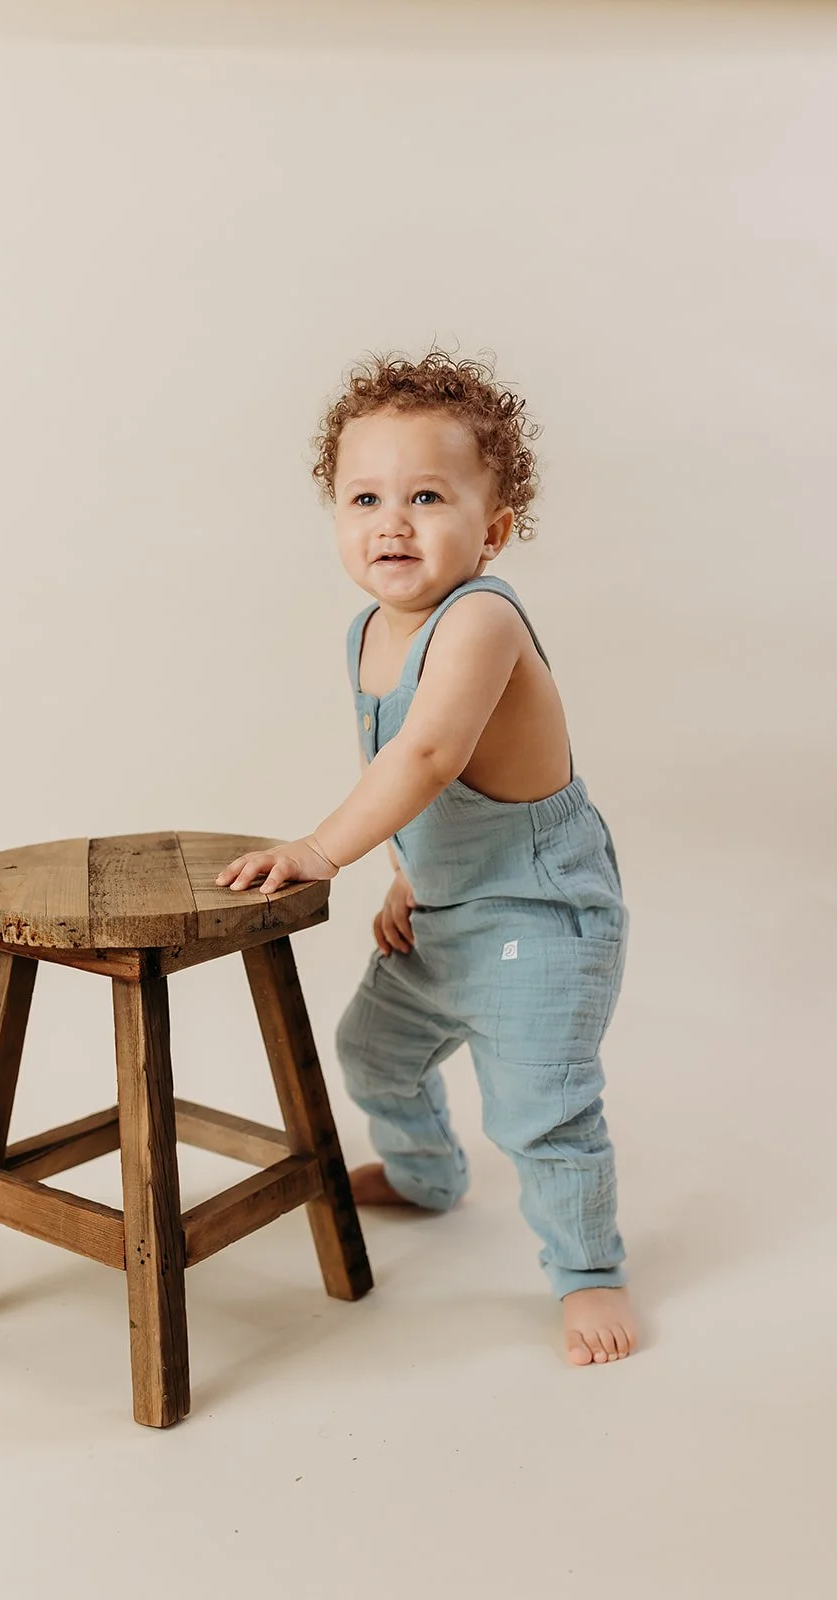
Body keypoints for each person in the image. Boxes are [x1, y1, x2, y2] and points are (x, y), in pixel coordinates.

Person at [216, 349, 636, 1366]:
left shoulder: (481, 619)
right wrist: (411, 871)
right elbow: (436, 791)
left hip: (538, 918)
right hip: (447, 909)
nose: (390, 521)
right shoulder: (368, 628)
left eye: (426, 496)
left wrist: (324, 849)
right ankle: (423, 1174)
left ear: (490, 531)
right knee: (370, 1049)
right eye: (364, 497)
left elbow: (431, 750)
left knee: (537, 1106)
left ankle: (587, 1275)